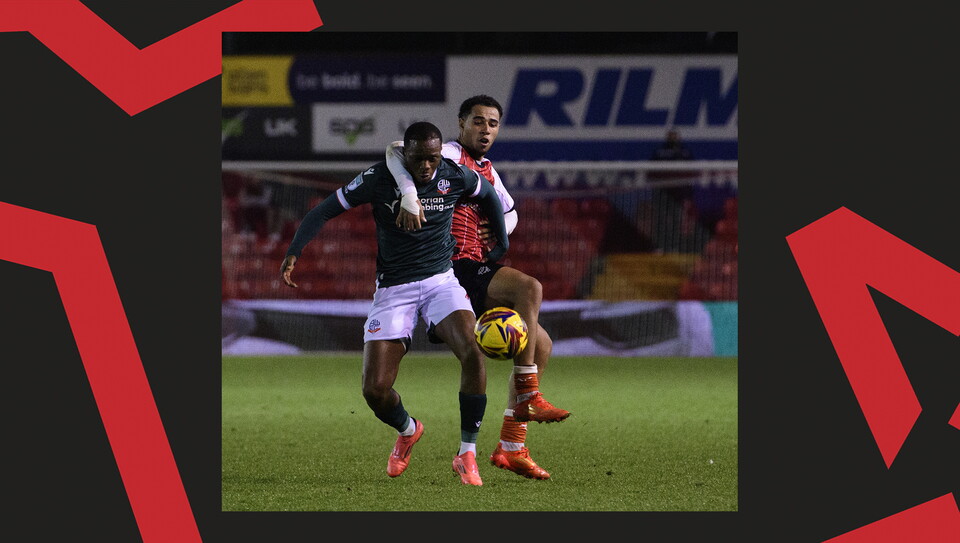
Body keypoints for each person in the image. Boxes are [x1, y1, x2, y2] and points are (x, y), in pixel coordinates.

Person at [280, 121, 510, 486]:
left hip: (440, 282)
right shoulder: (378, 178)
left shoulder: (454, 175)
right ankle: (408, 429)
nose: (427, 167)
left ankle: (467, 452)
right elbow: (324, 209)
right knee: (374, 390)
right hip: (394, 289)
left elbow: (490, 196)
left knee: (473, 351)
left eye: (433, 159)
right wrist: (295, 250)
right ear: (406, 153)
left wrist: (501, 246)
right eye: (419, 159)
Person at [386, 95, 569, 481]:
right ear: (461, 123)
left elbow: (510, 209)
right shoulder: (448, 152)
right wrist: (406, 192)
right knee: (530, 288)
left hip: (475, 264)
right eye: (478, 122)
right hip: (451, 267)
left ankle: (511, 446)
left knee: (541, 345)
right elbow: (397, 150)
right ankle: (528, 395)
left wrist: (501, 228)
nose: (486, 130)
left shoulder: (486, 168)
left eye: (493, 124)